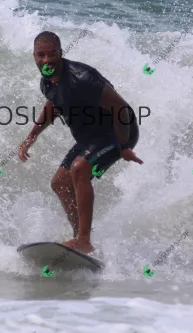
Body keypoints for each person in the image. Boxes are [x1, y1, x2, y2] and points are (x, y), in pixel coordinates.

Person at [18, 31, 143, 254]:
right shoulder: (47, 81)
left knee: (80, 169)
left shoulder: (83, 78)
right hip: (90, 138)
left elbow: (121, 109)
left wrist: (124, 147)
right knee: (59, 183)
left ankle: (84, 240)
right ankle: (80, 240)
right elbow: (53, 104)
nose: (46, 60)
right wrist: (31, 137)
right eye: (41, 55)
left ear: (61, 53)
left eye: (52, 54)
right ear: (34, 56)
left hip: (118, 133)